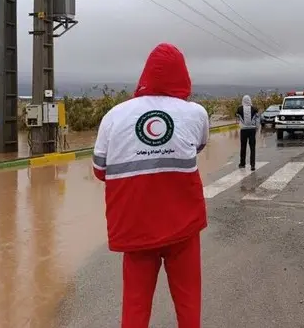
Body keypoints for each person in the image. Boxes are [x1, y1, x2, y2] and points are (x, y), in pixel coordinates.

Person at [92, 43, 209, 328]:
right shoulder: (195, 113)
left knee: (135, 306)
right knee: (189, 304)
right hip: (183, 227)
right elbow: (198, 147)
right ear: (183, 75)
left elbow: (99, 170)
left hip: (135, 228)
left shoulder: (114, 116)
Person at [236, 95, 260, 170]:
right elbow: (257, 119)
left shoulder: (239, 109)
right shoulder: (254, 109)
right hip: (252, 130)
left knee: (243, 147)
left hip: (243, 130)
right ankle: (252, 165)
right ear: (250, 100)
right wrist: (257, 128)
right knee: (252, 148)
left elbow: (237, 117)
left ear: (243, 100)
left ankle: (242, 163)